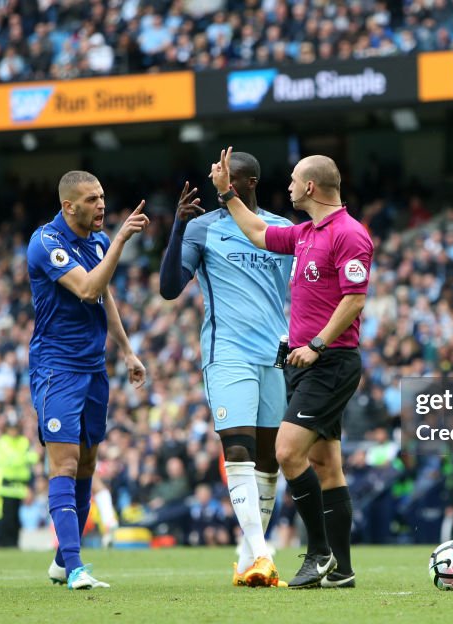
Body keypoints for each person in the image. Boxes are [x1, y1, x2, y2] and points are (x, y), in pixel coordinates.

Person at [208, 147, 373, 589]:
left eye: (294, 178)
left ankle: (318, 552)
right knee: (325, 464)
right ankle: (341, 569)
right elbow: (259, 232)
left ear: (311, 187)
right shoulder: (304, 233)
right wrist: (226, 195)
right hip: (304, 363)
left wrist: (318, 344)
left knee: (285, 452)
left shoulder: (349, 234)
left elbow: (355, 298)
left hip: (328, 362)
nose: (288, 185)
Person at [158, 151, 292, 588]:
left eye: (226, 178)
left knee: (270, 460)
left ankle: (247, 555)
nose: (217, 184)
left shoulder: (282, 230)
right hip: (228, 354)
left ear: (248, 182)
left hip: (274, 355)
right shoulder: (203, 228)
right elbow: (169, 289)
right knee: (238, 451)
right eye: (214, 177)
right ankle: (262, 552)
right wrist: (177, 225)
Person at [28, 170, 149, 590]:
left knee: (86, 467)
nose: (101, 205)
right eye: (92, 199)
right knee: (62, 464)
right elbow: (86, 289)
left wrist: (127, 350)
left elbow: (104, 297)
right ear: (68, 206)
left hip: (93, 368)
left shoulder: (96, 241)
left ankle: (63, 560)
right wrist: (119, 241)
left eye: (102, 196)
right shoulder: (47, 243)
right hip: (56, 369)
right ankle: (77, 567)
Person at [0, 417, 38, 548]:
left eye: (15, 428)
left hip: (21, 485)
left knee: (16, 518)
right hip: (7, 486)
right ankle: (2, 543)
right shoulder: (3, 442)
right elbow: (5, 460)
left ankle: (13, 543)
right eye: (11, 429)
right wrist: (23, 458)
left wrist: (19, 458)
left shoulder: (23, 441)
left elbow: (34, 457)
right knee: (6, 517)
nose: (13, 431)